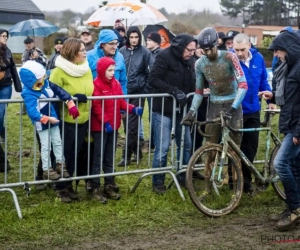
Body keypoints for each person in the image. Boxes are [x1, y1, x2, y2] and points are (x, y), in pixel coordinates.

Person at [181, 28, 248, 185]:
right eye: (204, 50)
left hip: (234, 105)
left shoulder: (229, 57)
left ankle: (236, 188)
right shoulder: (200, 64)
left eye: (210, 48)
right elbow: (198, 92)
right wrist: (191, 112)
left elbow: (243, 85)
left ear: (217, 44)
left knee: (234, 150)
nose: (208, 52)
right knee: (210, 148)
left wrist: (233, 108)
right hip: (215, 106)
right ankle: (207, 188)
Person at [148, 33, 196, 194]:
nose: (191, 53)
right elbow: (153, 79)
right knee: (163, 147)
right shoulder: (164, 56)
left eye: (193, 50)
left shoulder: (189, 60)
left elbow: (193, 80)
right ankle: (158, 181)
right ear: (181, 47)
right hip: (163, 109)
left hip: (182, 110)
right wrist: (173, 91)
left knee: (186, 144)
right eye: (189, 50)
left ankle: (183, 176)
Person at [91, 56, 143, 203]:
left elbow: (120, 101)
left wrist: (132, 109)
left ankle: (109, 184)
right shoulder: (96, 85)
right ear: (101, 70)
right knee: (98, 157)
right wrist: (105, 122)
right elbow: (96, 106)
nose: (112, 73)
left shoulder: (116, 84)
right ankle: (95, 187)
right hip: (101, 128)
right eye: (109, 70)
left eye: (113, 70)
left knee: (109, 157)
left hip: (113, 127)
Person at [50, 38, 94, 203]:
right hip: (66, 120)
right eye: (81, 50)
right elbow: (51, 94)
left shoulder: (86, 68)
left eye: (84, 49)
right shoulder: (58, 71)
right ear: (72, 52)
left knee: (75, 153)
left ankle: (68, 184)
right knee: (64, 154)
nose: (84, 52)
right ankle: (60, 188)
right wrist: (71, 99)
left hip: (83, 118)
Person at [19, 60, 79, 181]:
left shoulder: (46, 83)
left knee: (57, 142)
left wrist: (70, 102)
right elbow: (32, 111)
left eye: (43, 77)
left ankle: (60, 165)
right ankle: (46, 169)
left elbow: (59, 91)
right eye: (40, 78)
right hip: (42, 122)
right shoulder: (28, 92)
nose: (43, 79)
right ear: (32, 79)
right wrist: (46, 119)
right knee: (46, 146)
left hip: (53, 118)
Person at [267, 30, 300, 231]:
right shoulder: (292, 67)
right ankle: (292, 208)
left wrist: (298, 132)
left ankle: (296, 208)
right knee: (294, 167)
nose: (277, 55)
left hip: (296, 127)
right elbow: (291, 98)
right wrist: (271, 97)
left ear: (288, 49)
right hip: (290, 123)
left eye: (278, 51)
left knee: (280, 164)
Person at [232, 33, 273, 193]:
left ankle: (246, 183)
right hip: (236, 110)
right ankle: (233, 183)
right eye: (236, 50)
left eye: (242, 49)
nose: (239, 53)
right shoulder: (230, 59)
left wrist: (270, 101)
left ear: (249, 45)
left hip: (254, 109)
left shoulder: (259, 58)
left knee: (251, 147)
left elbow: (263, 81)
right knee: (235, 147)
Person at [119, 26, 153, 166]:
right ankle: (137, 151)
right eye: (131, 37)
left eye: (136, 37)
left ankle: (126, 155)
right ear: (128, 37)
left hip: (137, 93)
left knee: (132, 125)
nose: (134, 40)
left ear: (140, 38)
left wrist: (144, 90)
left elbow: (150, 73)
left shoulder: (145, 53)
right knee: (127, 125)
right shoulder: (121, 51)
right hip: (123, 93)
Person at [0, 28, 22, 172]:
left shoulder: (8, 51)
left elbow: (13, 67)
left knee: (0, 113)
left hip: (6, 86)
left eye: (6, 36)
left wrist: (18, 84)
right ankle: (2, 131)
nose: (5, 38)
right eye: (2, 36)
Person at [87, 29, 127, 95]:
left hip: (114, 101)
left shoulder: (120, 57)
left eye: (116, 43)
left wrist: (124, 101)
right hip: (95, 102)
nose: (115, 47)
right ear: (102, 44)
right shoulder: (89, 56)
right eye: (111, 44)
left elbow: (123, 82)